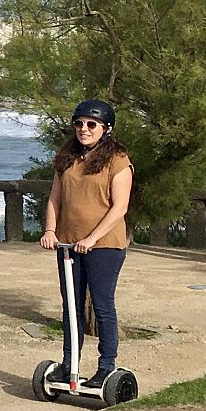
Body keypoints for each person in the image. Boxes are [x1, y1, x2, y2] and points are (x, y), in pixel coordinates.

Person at [41, 99, 134, 385]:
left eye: (91, 124)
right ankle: (70, 363)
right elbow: (56, 197)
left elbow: (120, 207)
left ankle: (107, 366)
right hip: (68, 244)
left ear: (105, 129)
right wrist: (50, 230)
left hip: (105, 245)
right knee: (71, 306)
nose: (84, 129)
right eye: (79, 123)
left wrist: (92, 238)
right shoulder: (67, 156)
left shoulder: (117, 160)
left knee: (103, 305)